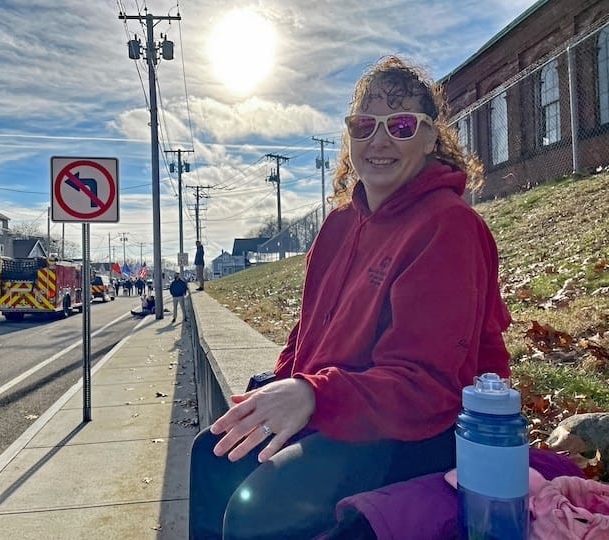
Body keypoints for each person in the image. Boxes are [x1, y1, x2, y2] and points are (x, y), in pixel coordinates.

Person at [188, 55, 512, 540]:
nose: (379, 141)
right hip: (337, 408)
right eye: (364, 125)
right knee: (211, 454)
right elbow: (307, 333)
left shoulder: (449, 227)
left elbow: (425, 388)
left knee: (260, 510)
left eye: (401, 125)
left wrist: (312, 396)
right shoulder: (340, 223)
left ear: (430, 139)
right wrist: (283, 387)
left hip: (413, 433)